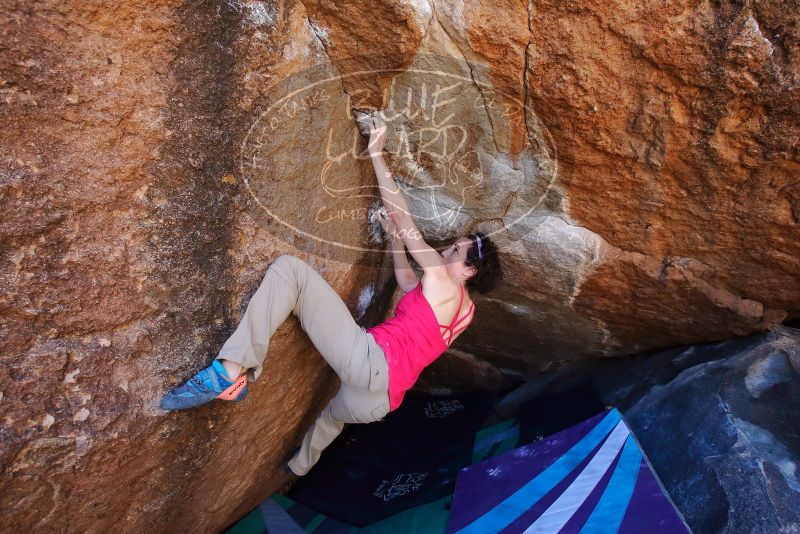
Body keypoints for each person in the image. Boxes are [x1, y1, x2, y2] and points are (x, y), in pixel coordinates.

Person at [159, 116, 503, 476]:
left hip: (370, 363)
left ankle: (230, 372)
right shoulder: (465, 311)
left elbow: (403, 215)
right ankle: (299, 466)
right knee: (329, 419)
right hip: (377, 403)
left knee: (289, 270)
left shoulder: (445, 282)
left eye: (454, 252)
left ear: (469, 271)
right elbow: (406, 282)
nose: (445, 251)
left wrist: (376, 153)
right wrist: (394, 240)